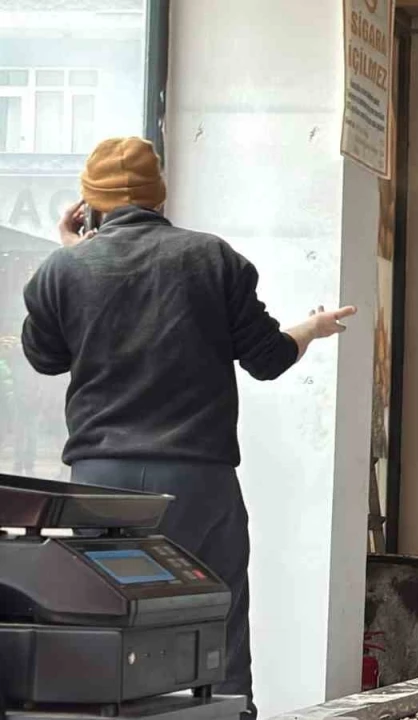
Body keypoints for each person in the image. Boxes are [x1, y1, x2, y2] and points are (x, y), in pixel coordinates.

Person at [20, 137, 356, 719]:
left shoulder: (64, 269)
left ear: (89, 204)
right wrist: (313, 327)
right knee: (216, 616)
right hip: (197, 477)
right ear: (160, 195)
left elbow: (44, 356)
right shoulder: (212, 258)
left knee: (110, 623)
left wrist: (71, 254)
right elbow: (269, 359)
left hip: (101, 483)